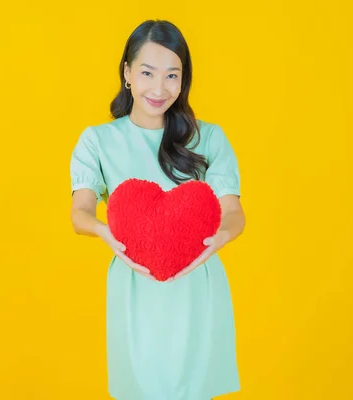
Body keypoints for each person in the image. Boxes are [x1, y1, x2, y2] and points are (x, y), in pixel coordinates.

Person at [69, 19, 246, 400]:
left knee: (194, 389)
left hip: (196, 281)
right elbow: (79, 212)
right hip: (135, 284)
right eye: (148, 73)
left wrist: (220, 239)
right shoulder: (98, 140)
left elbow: (233, 211)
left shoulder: (209, 138)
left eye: (172, 75)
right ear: (127, 73)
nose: (159, 88)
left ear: (183, 81)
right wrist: (104, 232)